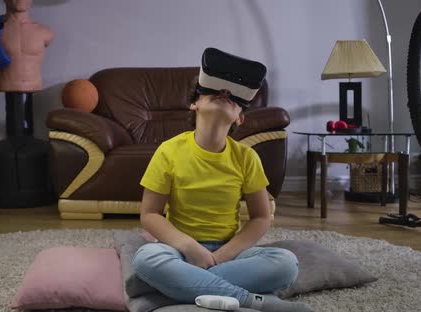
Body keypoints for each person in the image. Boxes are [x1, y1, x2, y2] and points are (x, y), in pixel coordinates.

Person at [133, 48, 313, 312]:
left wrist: (220, 256)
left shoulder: (246, 157)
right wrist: (190, 248)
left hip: (230, 252)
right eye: (214, 92)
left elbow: (262, 218)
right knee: (146, 259)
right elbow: (149, 214)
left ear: (239, 117)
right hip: (180, 251)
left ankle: (176, 287)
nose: (225, 95)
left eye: (233, 97)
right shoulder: (168, 151)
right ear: (194, 104)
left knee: (286, 263)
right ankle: (252, 302)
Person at [0, 0, 54, 136]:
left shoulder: (45, 31)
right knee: (14, 136)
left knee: (26, 138)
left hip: (33, 83)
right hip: (6, 83)